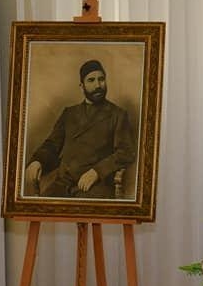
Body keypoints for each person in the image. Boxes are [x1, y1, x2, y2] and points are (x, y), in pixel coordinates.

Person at [25, 59, 136, 198]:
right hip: (63, 184)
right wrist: (38, 160)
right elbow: (52, 145)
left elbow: (126, 152)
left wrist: (97, 172)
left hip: (95, 185)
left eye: (101, 79)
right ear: (81, 86)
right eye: (91, 80)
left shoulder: (118, 115)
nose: (98, 85)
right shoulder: (69, 113)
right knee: (42, 207)